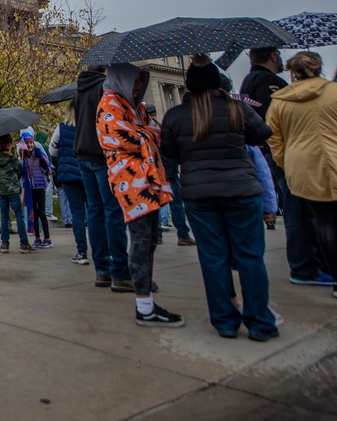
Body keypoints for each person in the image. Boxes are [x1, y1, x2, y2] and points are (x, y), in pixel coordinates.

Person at [160, 55, 277, 340]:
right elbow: (263, 134)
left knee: (213, 258)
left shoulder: (174, 117)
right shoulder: (236, 109)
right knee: (250, 258)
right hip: (241, 189)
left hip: (200, 195)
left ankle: (225, 321)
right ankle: (260, 322)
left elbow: (168, 163)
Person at [97, 63, 184, 328]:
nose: (137, 86)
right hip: (130, 181)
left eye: (139, 81)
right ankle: (144, 306)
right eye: (134, 81)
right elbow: (122, 137)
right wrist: (147, 133)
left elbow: (153, 133)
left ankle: (145, 302)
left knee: (150, 239)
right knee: (141, 238)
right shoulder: (109, 104)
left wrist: (145, 132)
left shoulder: (135, 106)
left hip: (148, 177)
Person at [267, 51, 337, 300]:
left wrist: (286, 163)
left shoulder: (279, 101)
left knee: (324, 223)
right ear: (319, 67)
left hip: (302, 165)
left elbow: (273, 139)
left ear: (293, 71)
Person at [74, 65, 131, 289]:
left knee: (95, 212)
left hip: (83, 154)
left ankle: (102, 270)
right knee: (113, 211)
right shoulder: (104, 88)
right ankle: (120, 271)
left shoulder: (80, 89)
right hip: (102, 154)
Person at [145, 103, 196, 247]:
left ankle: (157, 236)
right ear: (154, 114)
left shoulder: (142, 131)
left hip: (153, 171)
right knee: (176, 203)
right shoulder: (163, 128)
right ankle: (183, 235)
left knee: (155, 204)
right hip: (169, 170)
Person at [48, 109, 90, 264]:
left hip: (69, 175)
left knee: (77, 214)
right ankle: (102, 249)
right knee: (93, 211)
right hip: (88, 172)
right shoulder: (90, 126)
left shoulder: (62, 128)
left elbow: (52, 149)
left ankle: (81, 251)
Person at [0, 134, 33, 253]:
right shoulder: (12, 158)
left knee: (4, 216)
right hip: (13, 189)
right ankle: (24, 243)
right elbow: (21, 169)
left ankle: (4, 243)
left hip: (0, 189)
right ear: (8, 144)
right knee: (19, 215)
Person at [19, 131, 52, 248]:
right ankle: (37, 237)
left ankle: (47, 238)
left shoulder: (39, 154)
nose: (30, 145)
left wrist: (42, 160)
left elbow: (46, 167)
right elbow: (20, 173)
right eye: (27, 143)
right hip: (30, 188)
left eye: (31, 143)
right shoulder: (23, 159)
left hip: (40, 186)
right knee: (34, 212)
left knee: (42, 212)